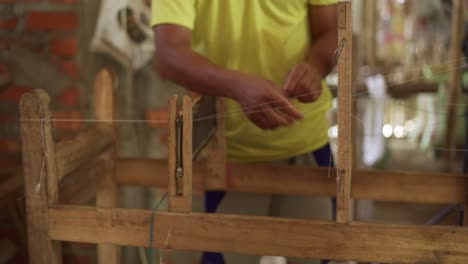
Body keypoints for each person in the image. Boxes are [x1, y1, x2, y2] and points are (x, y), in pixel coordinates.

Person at [151, 1, 338, 263]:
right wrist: (236, 86)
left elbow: (332, 31)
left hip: (306, 145)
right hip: (229, 156)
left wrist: (315, 67)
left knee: (323, 254)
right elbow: (168, 53)